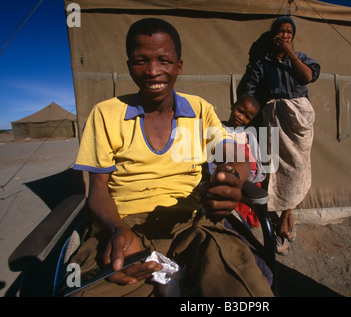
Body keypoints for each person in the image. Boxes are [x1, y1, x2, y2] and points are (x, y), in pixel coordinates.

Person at [70, 18, 273, 297]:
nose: (153, 71)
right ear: (129, 66)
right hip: (124, 225)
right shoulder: (105, 114)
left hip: (192, 224)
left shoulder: (199, 110)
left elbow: (232, 152)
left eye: (164, 60)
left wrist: (233, 177)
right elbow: (98, 192)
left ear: (179, 65)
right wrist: (116, 229)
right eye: (141, 60)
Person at [237, 16, 320, 255]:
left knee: (297, 168)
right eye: (280, 32)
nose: (284, 36)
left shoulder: (301, 58)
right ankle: (283, 224)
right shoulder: (262, 64)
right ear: (273, 35)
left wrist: (290, 54)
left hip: (300, 118)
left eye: (288, 32)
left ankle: (286, 216)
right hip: (274, 117)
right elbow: (248, 90)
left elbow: (307, 77)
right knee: (277, 169)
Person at [220, 94, 265, 228]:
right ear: (233, 106)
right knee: (230, 215)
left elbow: (256, 159)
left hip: (250, 182)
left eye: (247, 116)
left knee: (243, 215)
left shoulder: (249, 135)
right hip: (229, 181)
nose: (241, 117)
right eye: (240, 111)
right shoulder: (219, 130)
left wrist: (257, 179)